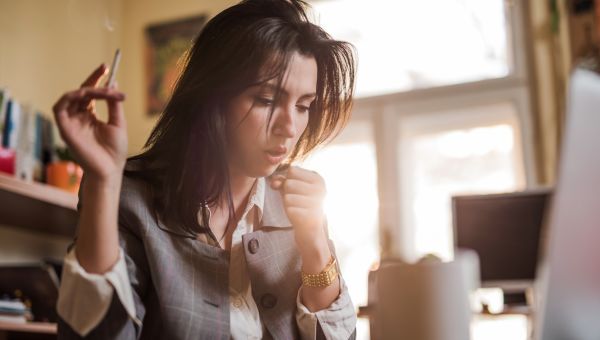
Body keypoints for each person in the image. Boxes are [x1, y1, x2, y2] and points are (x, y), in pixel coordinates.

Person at [52, 0, 357, 339]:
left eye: (304, 106)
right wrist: (104, 180)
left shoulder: (299, 205)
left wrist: (315, 243)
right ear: (213, 96)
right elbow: (95, 334)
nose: (289, 126)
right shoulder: (132, 200)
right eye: (266, 100)